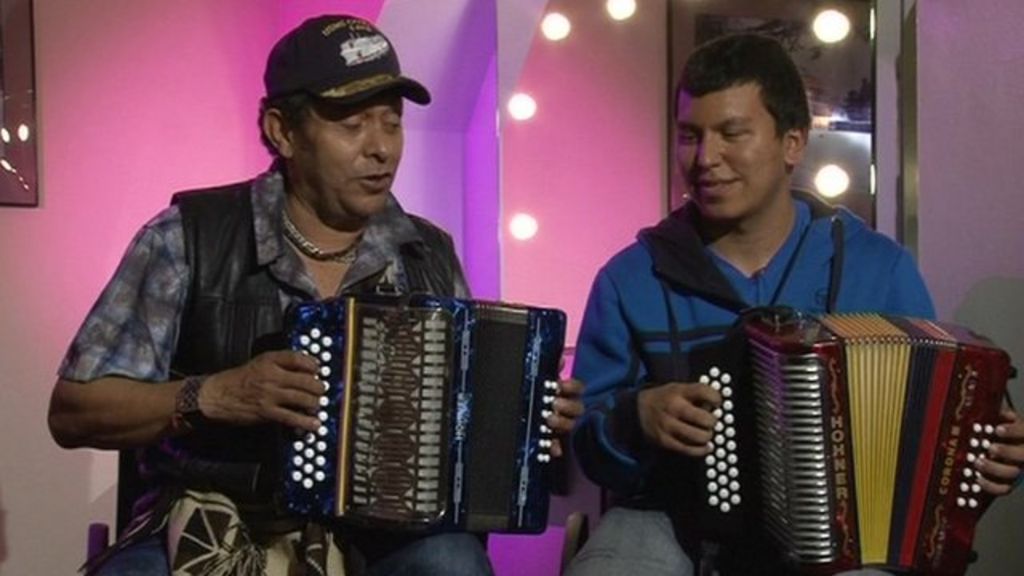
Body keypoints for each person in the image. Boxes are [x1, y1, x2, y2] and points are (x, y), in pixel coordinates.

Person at [48, 14, 583, 576]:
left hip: (378, 536)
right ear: (283, 131)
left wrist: (524, 418)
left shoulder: (426, 252)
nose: (382, 149)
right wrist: (212, 395)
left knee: (452, 563)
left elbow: (460, 434)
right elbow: (74, 412)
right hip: (209, 518)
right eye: (353, 125)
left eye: (392, 123)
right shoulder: (186, 237)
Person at [565, 33, 1024, 576]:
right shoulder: (629, 277)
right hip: (667, 516)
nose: (705, 158)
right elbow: (583, 443)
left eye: (732, 133)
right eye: (690, 135)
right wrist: (632, 417)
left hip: (842, 534)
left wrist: (994, 453)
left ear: (793, 142)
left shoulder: (878, 268)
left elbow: (949, 418)